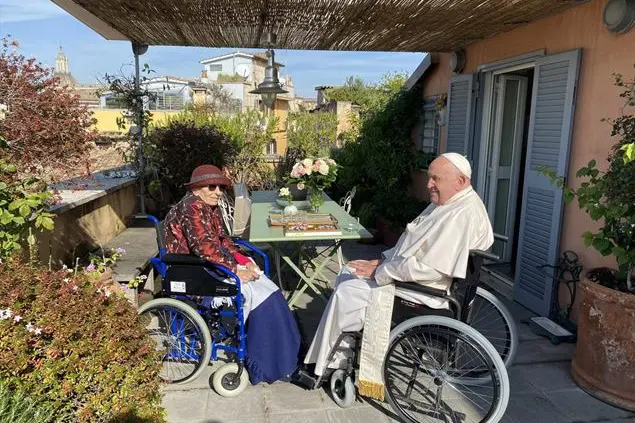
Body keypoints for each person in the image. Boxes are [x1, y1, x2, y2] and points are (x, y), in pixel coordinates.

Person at [299, 153, 494, 394]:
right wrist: (382, 260)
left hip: (427, 292)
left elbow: (428, 268)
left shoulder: (461, 215)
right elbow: (413, 243)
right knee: (351, 269)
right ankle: (335, 353)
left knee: (348, 290)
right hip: (419, 279)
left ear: (460, 181)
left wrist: (381, 270)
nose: (429, 184)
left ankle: (330, 364)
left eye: (436, 179)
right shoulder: (450, 203)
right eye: (429, 177)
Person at [163, 164, 305, 385]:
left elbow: (223, 241)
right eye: (211, 187)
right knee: (260, 295)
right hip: (193, 270)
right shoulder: (192, 208)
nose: (218, 192)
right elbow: (204, 248)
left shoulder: (209, 206)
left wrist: (244, 261)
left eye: (220, 187)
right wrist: (236, 269)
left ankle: (286, 353)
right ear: (196, 189)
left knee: (268, 288)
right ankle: (269, 363)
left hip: (209, 264)